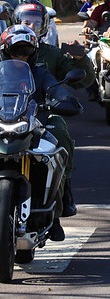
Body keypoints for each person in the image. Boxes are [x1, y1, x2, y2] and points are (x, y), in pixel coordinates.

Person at [0, 25, 83, 242]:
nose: (20, 56)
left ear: (33, 52)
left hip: (37, 124)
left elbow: (57, 90)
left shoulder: (40, 72)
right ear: (5, 52)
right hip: (3, 125)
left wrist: (62, 101)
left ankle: (59, 204)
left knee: (60, 136)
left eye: (25, 51)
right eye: (14, 51)